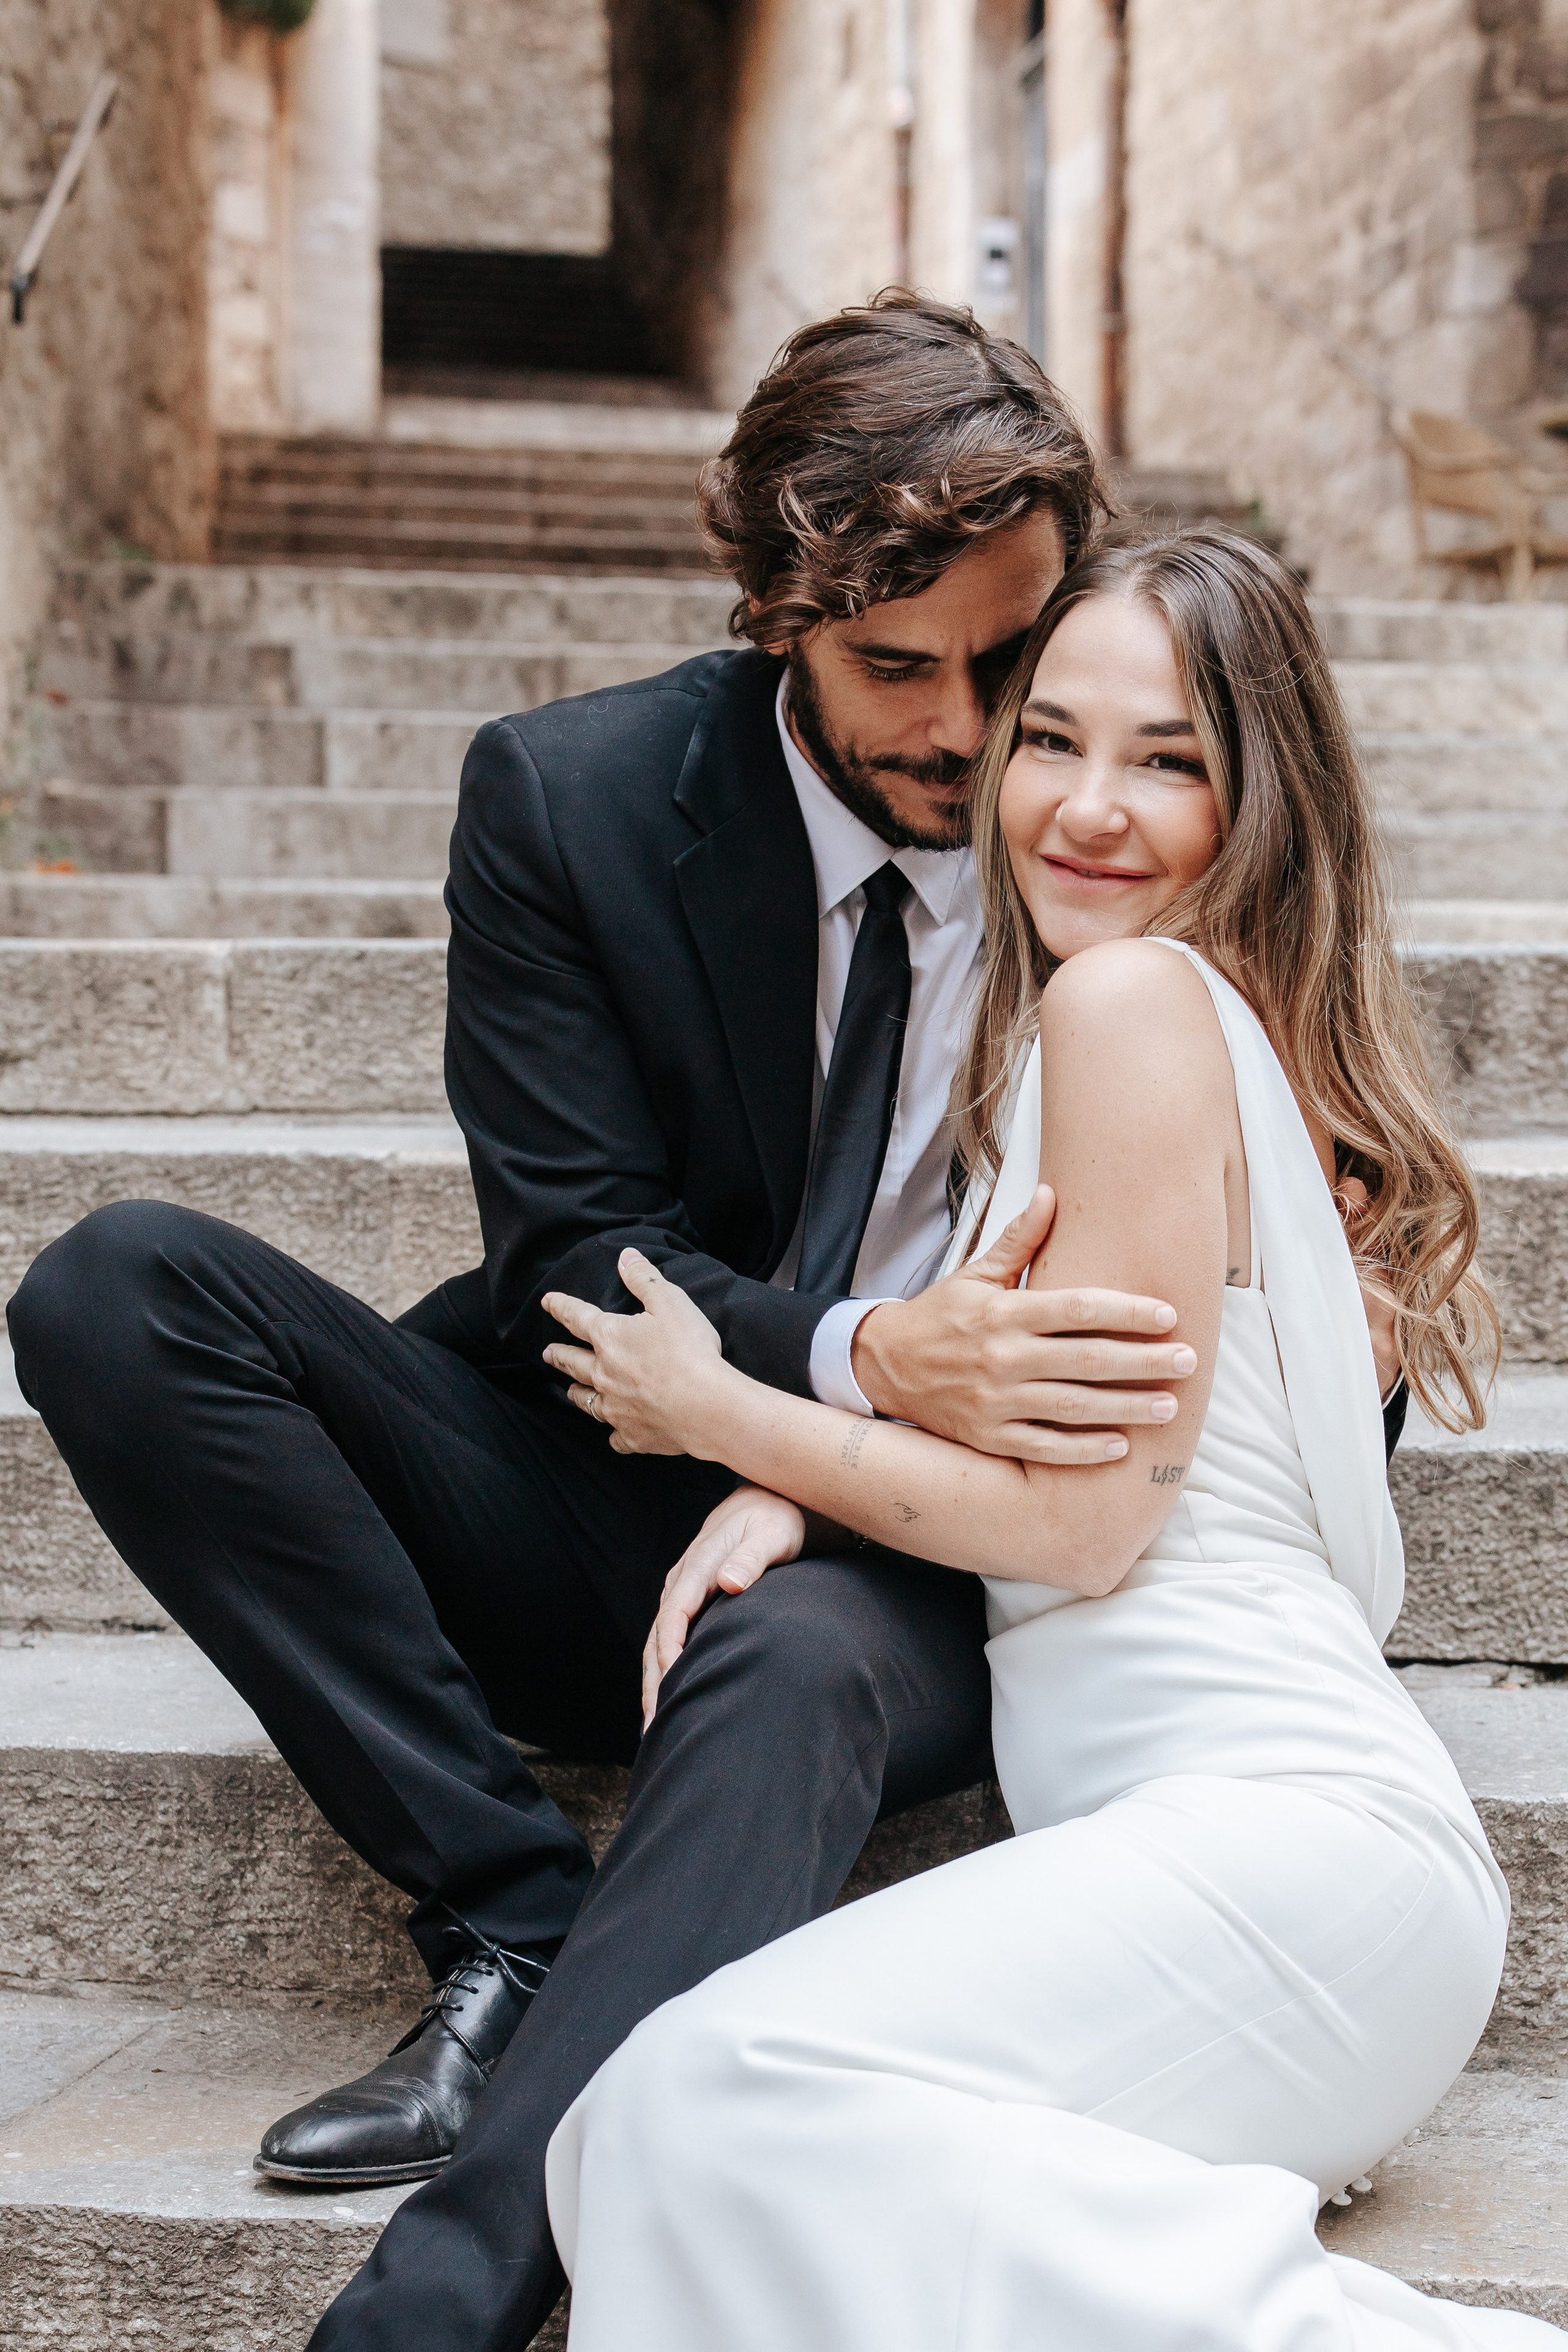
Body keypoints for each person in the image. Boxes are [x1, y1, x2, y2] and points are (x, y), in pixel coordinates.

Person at [6, 295, 1252, 2352]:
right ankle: (513, 1919)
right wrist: (865, 1351)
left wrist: (852, 1457)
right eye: (892, 665)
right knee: (116, 1286)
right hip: (601, 1474)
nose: (963, 731)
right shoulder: (575, 799)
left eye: (1006, 663)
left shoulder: (1112, 836)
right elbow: (579, 1254)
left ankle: (472, 2267)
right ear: (774, 608)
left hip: (913, 1561)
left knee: (787, 1639)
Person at [537, 526, 1539, 2350]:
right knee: (697, 2136)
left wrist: (721, 1411)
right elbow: (1096, 1442)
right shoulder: (1202, 1037)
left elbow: (1086, 1533)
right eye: (1052, 739)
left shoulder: (1133, 1006)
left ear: (1266, 799)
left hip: (1288, 1844)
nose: (1085, 807)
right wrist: (795, 1485)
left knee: (692, 2102)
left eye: (1169, 761)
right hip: (1287, 1875)